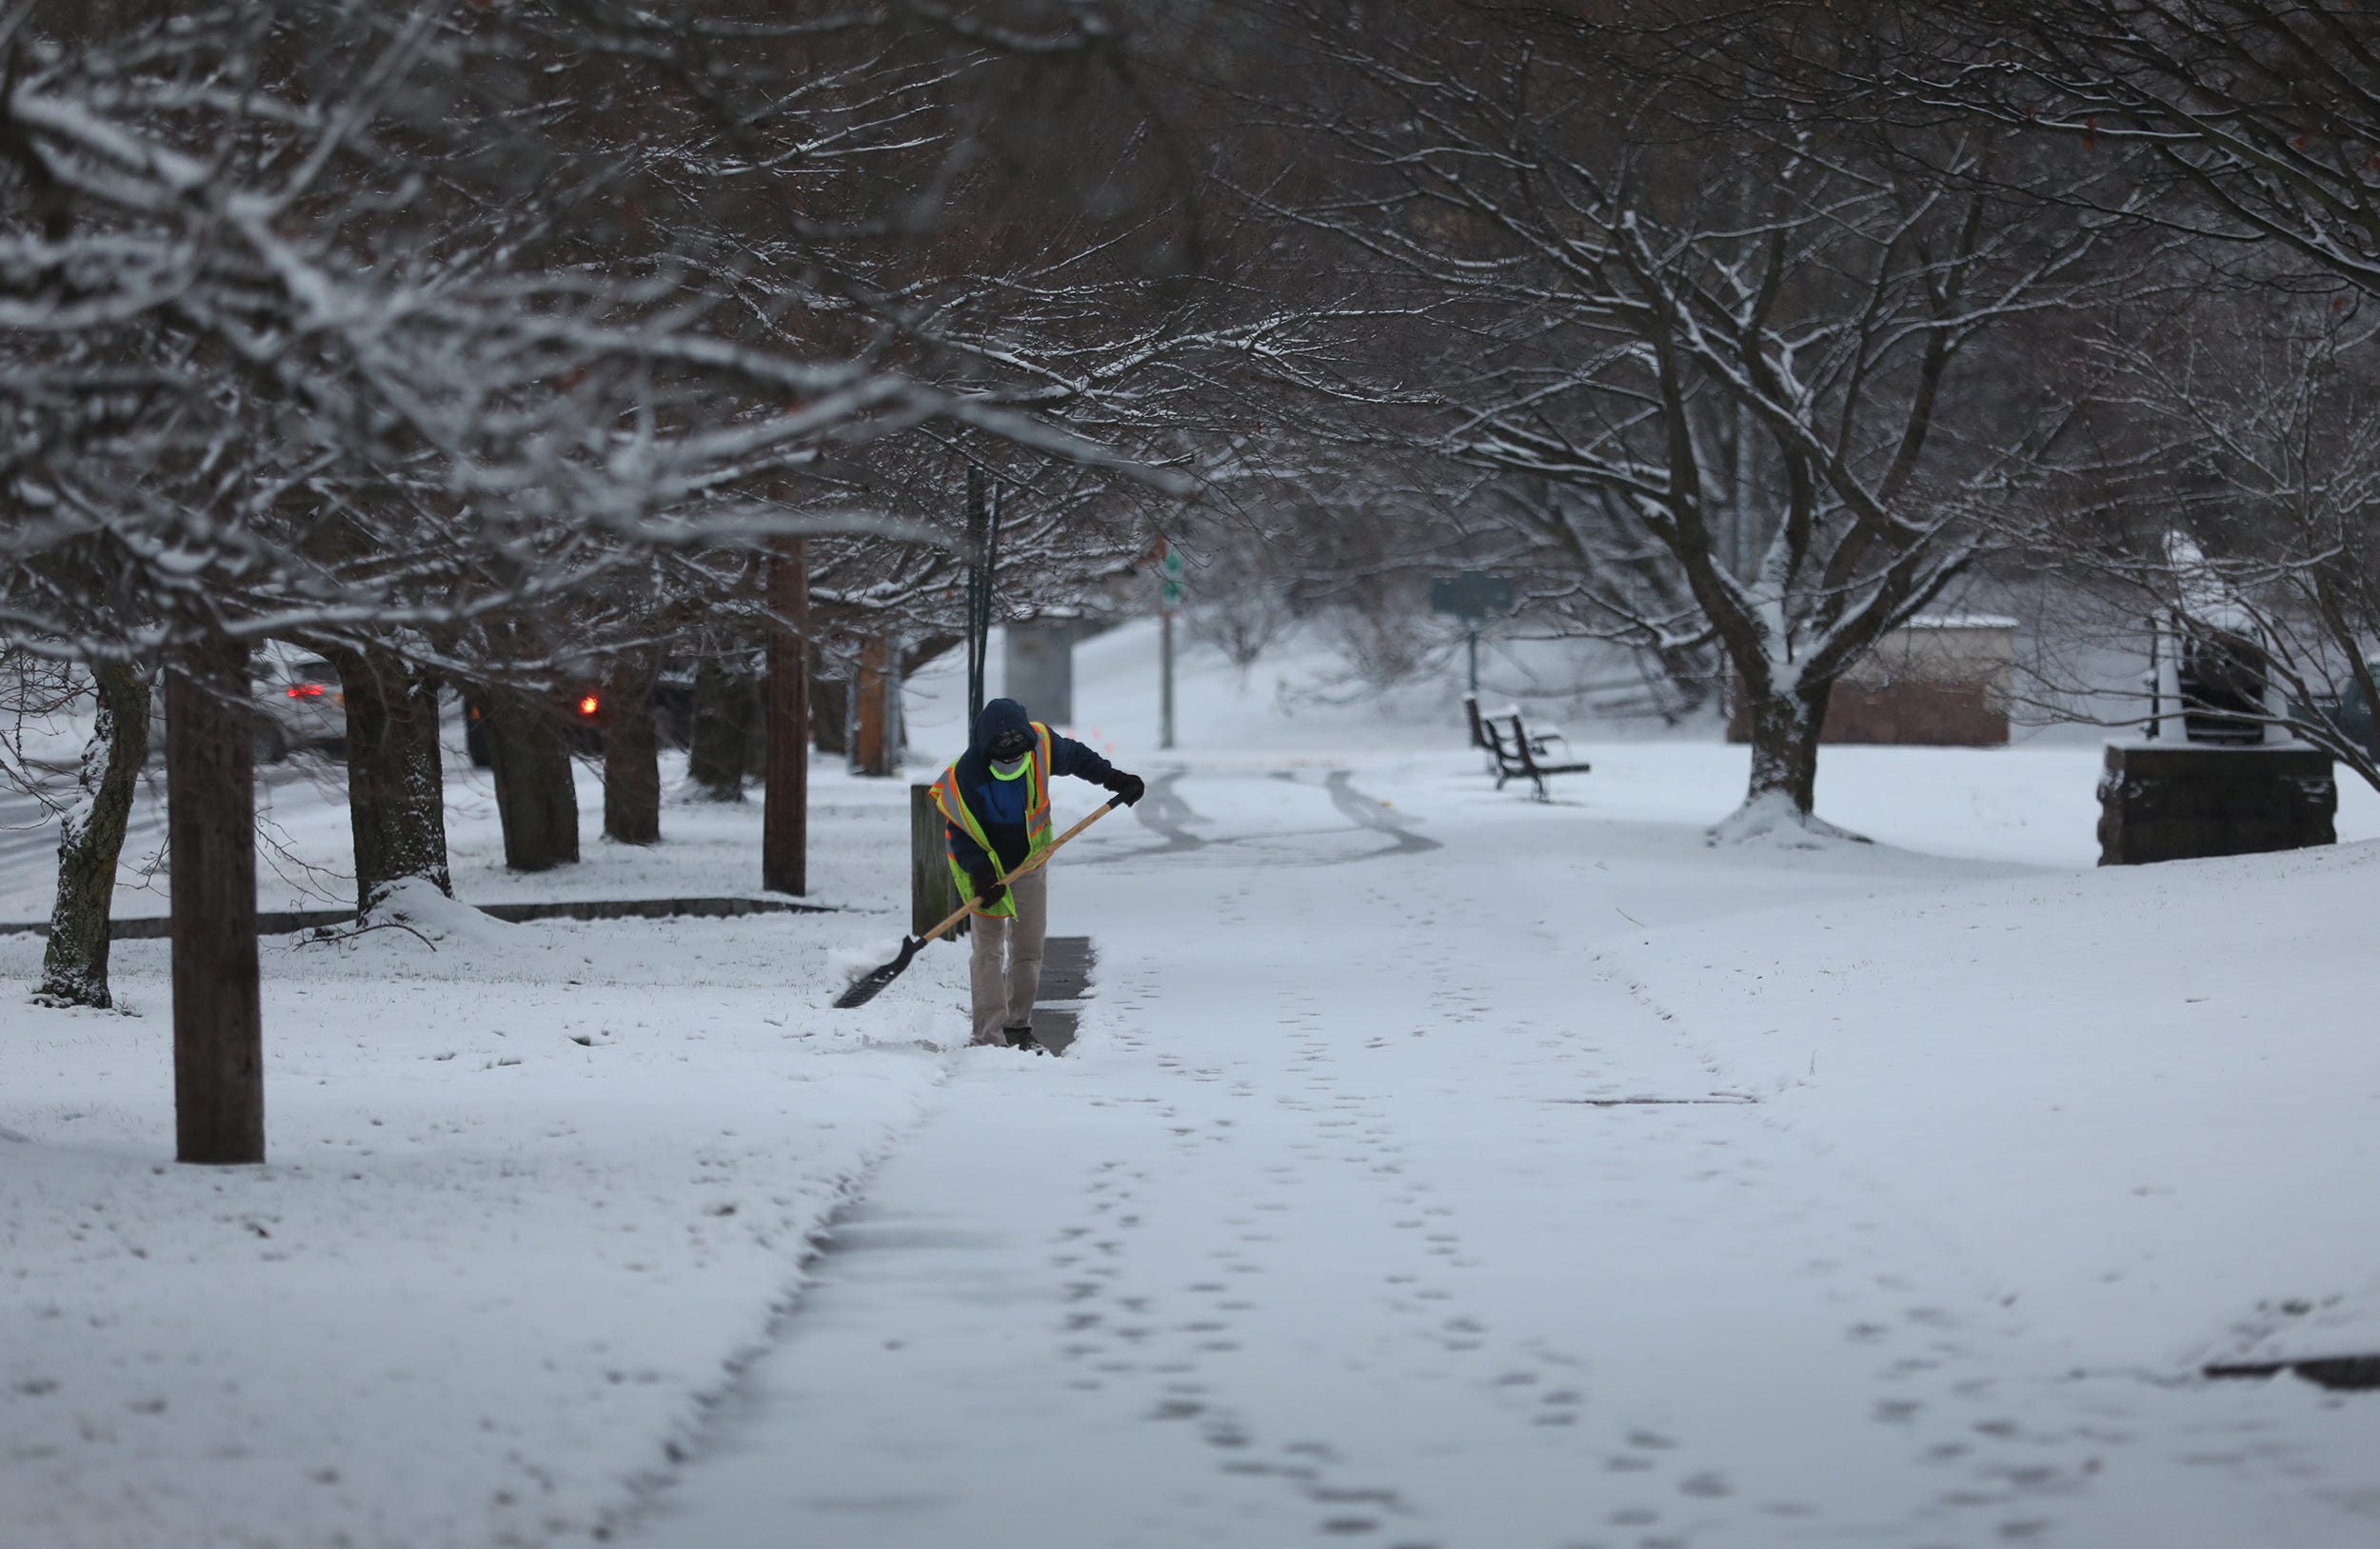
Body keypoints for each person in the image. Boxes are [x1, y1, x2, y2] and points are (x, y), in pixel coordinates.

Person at [930, 697, 1143, 1051]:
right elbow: (960, 831)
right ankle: (988, 1037)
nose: (1012, 760)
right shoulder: (966, 777)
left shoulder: (1041, 744)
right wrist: (982, 872)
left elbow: (1077, 757)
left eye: (1018, 755)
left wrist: (1114, 778)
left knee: (1028, 948)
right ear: (986, 750)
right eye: (1004, 757)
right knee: (989, 950)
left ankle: (1017, 1028)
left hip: (1031, 859)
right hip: (983, 868)